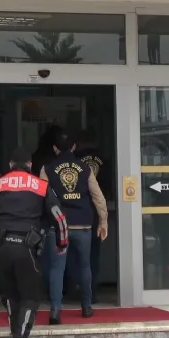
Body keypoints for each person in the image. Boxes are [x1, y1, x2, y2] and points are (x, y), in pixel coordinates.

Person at [0, 148, 68, 338]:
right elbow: (60, 218)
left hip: (1, 246)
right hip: (27, 246)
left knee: (10, 296)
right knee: (30, 297)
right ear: (30, 165)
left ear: (10, 165)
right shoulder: (41, 186)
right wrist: (62, 243)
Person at [40, 130, 107, 323]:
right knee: (85, 265)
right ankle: (86, 306)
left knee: (57, 268)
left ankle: (55, 311)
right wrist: (103, 221)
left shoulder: (47, 169)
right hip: (83, 225)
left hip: (58, 226)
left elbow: (42, 198)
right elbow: (98, 197)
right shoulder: (85, 169)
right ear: (74, 147)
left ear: (55, 149)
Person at [74, 129, 107, 304]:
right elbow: (108, 184)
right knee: (92, 256)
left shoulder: (76, 160)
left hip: (79, 210)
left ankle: (73, 290)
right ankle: (91, 294)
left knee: (73, 256)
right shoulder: (104, 158)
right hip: (95, 212)